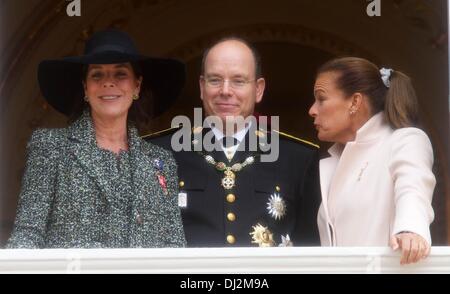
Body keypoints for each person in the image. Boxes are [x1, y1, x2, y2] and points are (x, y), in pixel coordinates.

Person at [7, 29, 187, 248]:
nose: (108, 82)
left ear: (136, 86)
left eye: (120, 73)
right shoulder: (50, 147)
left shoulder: (161, 161)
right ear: (85, 87)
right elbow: (28, 233)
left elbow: (174, 245)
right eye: (97, 74)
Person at [146, 37, 321, 247]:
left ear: (258, 89)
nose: (226, 90)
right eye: (215, 80)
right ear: (202, 87)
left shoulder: (298, 158)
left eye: (238, 81)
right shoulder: (159, 151)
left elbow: (311, 252)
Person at [309, 57, 436, 264]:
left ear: (355, 102)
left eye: (321, 99)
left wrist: (410, 229)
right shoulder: (334, 161)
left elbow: (413, 188)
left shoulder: (404, 140)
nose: (312, 110)